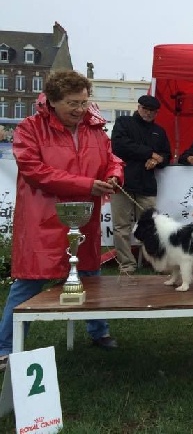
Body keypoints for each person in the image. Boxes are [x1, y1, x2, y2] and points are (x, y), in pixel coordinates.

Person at [0, 71, 125, 369]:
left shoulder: (95, 128)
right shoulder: (30, 128)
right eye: (72, 103)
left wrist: (114, 174)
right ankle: (5, 346)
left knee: (89, 275)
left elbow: (112, 159)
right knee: (29, 283)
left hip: (85, 218)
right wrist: (86, 185)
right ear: (52, 101)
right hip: (42, 218)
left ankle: (98, 330)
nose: (80, 109)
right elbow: (34, 171)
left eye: (84, 102)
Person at [110, 95, 171, 273]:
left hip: (147, 185)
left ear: (157, 113)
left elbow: (165, 155)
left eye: (152, 111)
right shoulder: (123, 122)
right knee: (121, 227)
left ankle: (156, 262)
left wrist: (157, 160)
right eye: (145, 109)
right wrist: (150, 154)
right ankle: (127, 264)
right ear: (138, 107)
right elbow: (119, 146)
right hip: (122, 182)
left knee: (152, 226)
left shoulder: (159, 131)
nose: (148, 113)